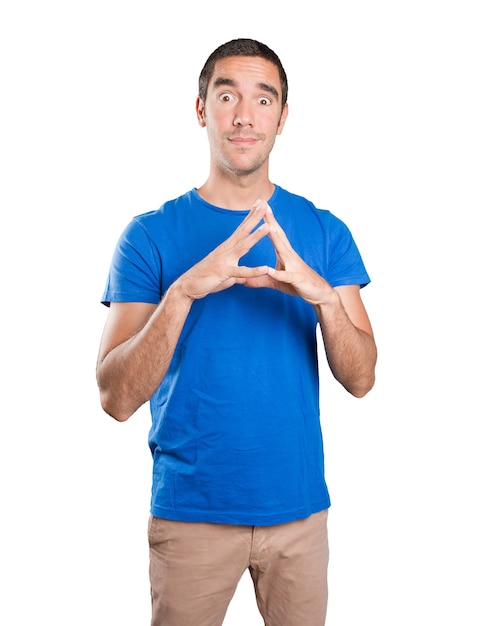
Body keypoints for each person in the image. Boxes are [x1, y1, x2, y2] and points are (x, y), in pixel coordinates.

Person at [96, 38, 377, 626]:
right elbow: (116, 398)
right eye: (227, 96)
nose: (244, 115)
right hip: (190, 518)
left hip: (299, 517)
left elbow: (362, 378)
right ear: (201, 109)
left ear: (282, 117)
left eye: (263, 99)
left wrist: (323, 297)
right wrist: (184, 291)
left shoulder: (324, 232)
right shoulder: (149, 236)